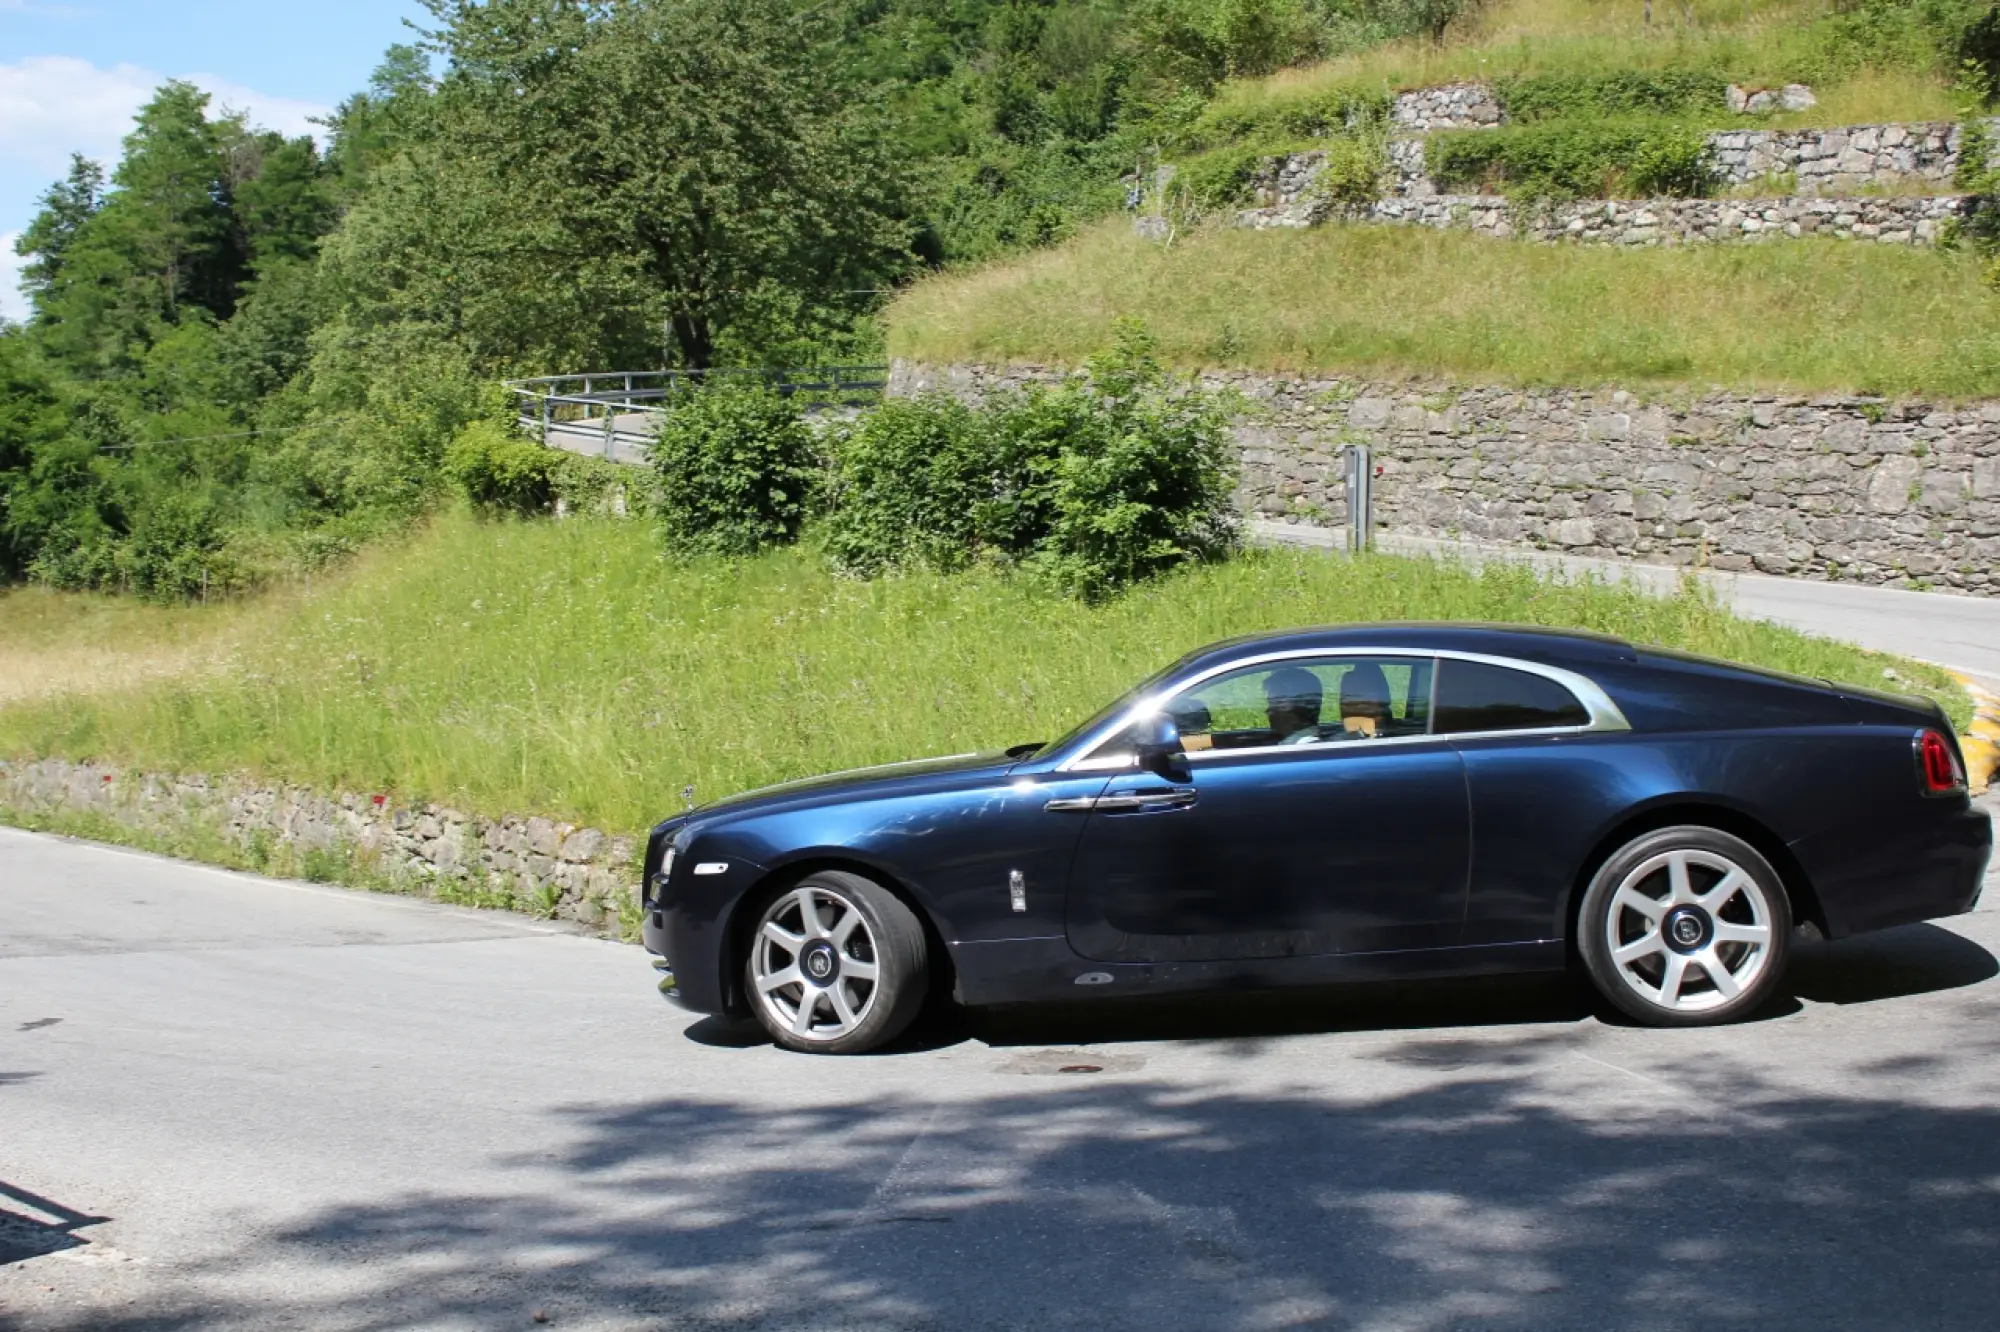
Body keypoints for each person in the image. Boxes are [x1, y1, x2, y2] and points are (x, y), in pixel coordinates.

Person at [1262, 666, 1323, 743]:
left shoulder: (1305, 748)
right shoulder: (1292, 744)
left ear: (1299, 707)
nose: (1268, 711)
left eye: (1275, 704)